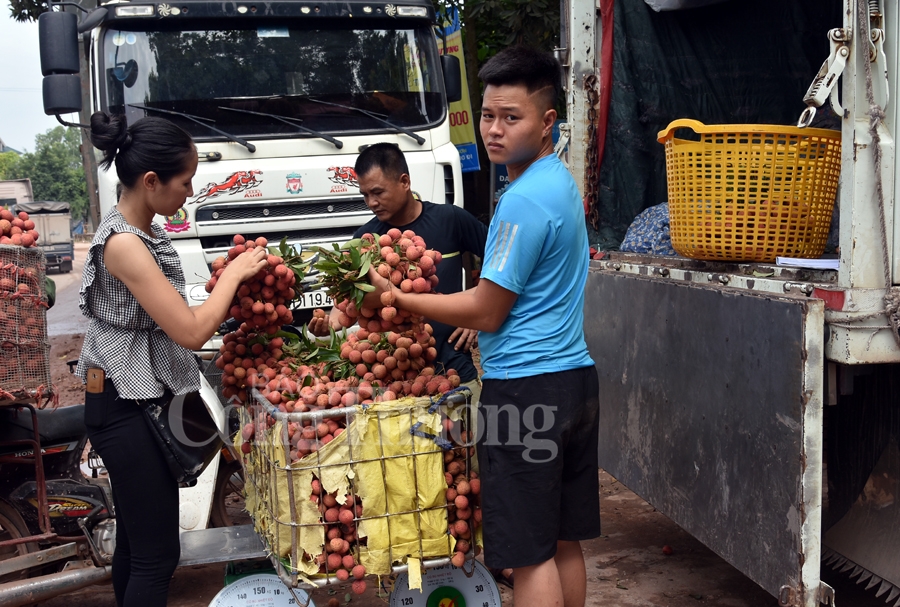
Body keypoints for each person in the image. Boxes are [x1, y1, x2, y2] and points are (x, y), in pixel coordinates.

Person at [364, 47, 600, 607]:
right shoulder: (557, 181)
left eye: (511, 118)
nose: (494, 130)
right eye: (488, 115)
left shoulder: (523, 200)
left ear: (547, 122)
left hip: (526, 391)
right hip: (573, 380)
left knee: (529, 553)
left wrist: (396, 297)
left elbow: (488, 311)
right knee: (561, 538)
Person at [76, 112, 267, 607]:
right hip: (124, 405)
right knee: (157, 557)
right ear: (150, 181)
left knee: (136, 546)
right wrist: (233, 276)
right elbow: (189, 330)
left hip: (140, 397)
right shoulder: (124, 244)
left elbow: (175, 314)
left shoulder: (146, 232)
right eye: (185, 182)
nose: (190, 192)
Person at [309, 142, 488, 401]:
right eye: (365, 195)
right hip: (396, 381)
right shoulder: (364, 241)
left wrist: (476, 314)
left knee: (468, 426)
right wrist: (329, 325)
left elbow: (503, 266)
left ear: (404, 182)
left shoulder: (450, 219)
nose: (371, 202)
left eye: (378, 192)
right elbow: (346, 302)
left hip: (454, 370)